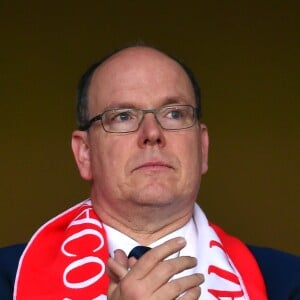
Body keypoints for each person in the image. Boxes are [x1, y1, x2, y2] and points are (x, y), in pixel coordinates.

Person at [0, 44, 299, 300]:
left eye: (174, 113)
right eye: (123, 116)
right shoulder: (7, 279)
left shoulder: (288, 283)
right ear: (85, 154)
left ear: (203, 148)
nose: (152, 133)